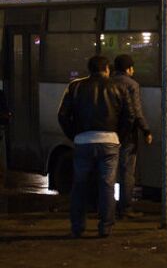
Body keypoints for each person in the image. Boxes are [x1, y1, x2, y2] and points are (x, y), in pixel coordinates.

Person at [58, 56, 134, 238]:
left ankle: (78, 227)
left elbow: (62, 116)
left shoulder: (75, 86)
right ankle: (105, 227)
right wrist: (118, 137)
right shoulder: (119, 87)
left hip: (83, 142)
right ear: (107, 69)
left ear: (89, 69)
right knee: (107, 184)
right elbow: (129, 117)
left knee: (80, 184)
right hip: (110, 142)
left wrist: (75, 135)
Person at [112, 54, 153, 219]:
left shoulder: (108, 82)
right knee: (127, 172)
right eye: (132, 67)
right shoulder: (132, 85)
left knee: (107, 172)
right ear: (128, 68)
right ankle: (125, 208)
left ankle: (106, 207)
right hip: (127, 135)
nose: (133, 70)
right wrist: (146, 130)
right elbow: (136, 112)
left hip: (109, 134)